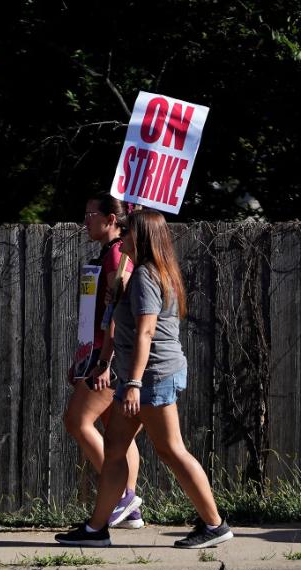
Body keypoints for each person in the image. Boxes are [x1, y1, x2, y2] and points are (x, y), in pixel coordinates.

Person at [56, 209, 233, 549]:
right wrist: (106, 355)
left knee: (171, 450)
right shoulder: (138, 275)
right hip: (138, 375)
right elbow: (120, 326)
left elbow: (145, 332)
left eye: (128, 231)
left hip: (152, 375)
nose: (121, 236)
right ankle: (96, 529)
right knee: (115, 450)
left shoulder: (146, 276)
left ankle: (215, 524)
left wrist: (134, 383)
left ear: (142, 237)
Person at [63, 194, 143, 528]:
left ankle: (123, 497)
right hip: (98, 352)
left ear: (111, 219)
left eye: (91, 214)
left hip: (107, 355)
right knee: (118, 433)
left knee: (77, 422)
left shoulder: (116, 255)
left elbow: (116, 313)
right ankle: (129, 511)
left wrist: (104, 362)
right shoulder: (113, 253)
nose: (86, 221)